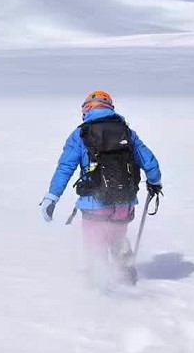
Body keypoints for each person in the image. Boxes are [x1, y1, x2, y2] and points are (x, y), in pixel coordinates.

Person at [40, 91, 162, 286]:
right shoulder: (127, 132)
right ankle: (128, 280)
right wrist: (155, 182)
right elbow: (150, 162)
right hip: (124, 204)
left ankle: (101, 294)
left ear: (87, 108)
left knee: (95, 248)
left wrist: (52, 197)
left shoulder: (80, 134)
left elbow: (65, 168)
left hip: (94, 205)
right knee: (118, 237)